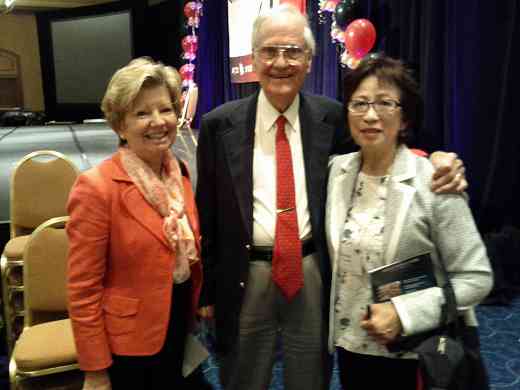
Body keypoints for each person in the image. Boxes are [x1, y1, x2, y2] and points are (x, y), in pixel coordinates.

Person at [196, 5, 465, 390]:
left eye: (292, 51)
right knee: (243, 378)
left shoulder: (334, 118)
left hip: (312, 273)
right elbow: (206, 214)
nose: (280, 62)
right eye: (269, 51)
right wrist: (207, 291)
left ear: (309, 59)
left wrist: (438, 158)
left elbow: (383, 150)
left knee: (310, 379)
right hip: (245, 274)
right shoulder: (218, 125)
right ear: (253, 58)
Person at [326, 54, 493, 389]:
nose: (370, 115)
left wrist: (405, 314)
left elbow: (476, 277)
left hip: (418, 354)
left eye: (385, 103)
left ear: (404, 119)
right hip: (350, 346)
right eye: (360, 103)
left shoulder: (435, 182)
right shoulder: (335, 172)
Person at [66, 57, 208, 390]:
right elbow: (83, 290)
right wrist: (96, 370)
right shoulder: (97, 187)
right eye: (142, 113)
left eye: (166, 109)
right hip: (128, 346)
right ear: (119, 125)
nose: (158, 122)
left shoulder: (180, 175)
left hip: (176, 325)